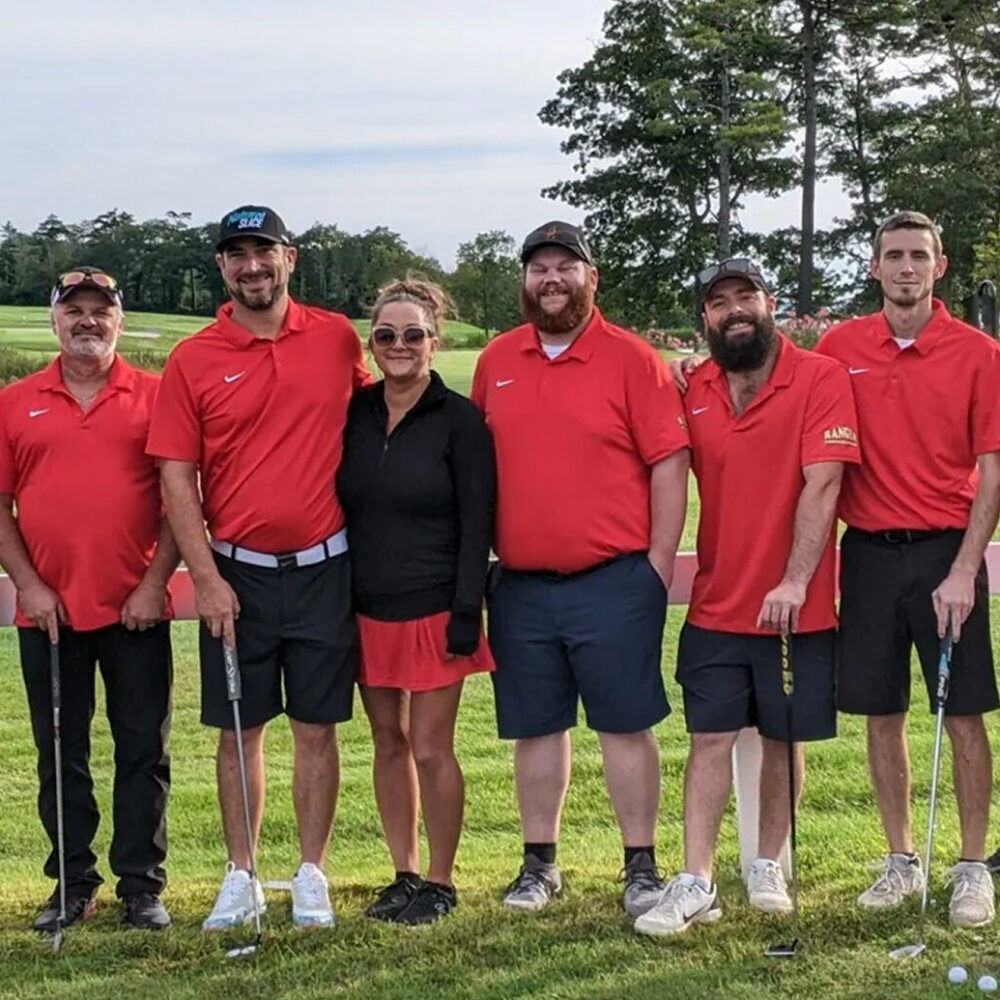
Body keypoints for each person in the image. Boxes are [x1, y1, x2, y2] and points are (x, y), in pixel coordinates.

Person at [147, 205, 371, 931]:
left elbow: (383, 411)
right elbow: (177, 477)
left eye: (264, 252)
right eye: (237, 254)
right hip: (235, 574)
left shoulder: (336, 338)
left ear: (290, 259)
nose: (252, 266)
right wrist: (205, 577)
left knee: (316, 726)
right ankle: (241, 873)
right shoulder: (194, 358)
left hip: (324, 569)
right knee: (239, 729)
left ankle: (311, 873)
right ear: (221, 267)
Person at [634, 258, 860, 937]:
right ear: (704, 317)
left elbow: (825, 484)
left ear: (770, 305)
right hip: (716, 603)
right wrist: (671, 370)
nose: (733, 310)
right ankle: (697, 878)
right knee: (708, 740)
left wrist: (794, 580)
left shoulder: (820, 377)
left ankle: (768, 862)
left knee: (786, 739)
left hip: (799, 605)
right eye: (717, 301)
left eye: (746, 296)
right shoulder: (695, 384)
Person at [471, 221, 690, 916]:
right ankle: (540, 865)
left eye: (567, 266)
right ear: (525, 282)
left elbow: (668, 462)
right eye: (539, 268)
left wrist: (656, 564)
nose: (552, 279)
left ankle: (641, 866)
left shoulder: (633, 358)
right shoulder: (498, 358)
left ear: (593, 278)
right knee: (536, 728)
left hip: (615, 579)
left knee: (625, 725)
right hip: (522, 584)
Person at [816, 212, 1000, 928]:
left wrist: (962, 569)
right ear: (874, 267)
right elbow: (773, 379)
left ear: (939, 267)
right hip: (864, 554)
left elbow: (991, 473)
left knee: (963, 715)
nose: (905, 267)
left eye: (918, 255)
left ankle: (972, 867)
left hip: (945, 554)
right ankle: (900, 859)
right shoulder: (838, 347)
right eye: (892, 255)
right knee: (881, 713)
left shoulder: (979, 353)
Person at [0, 267, 176, 931]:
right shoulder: (16, 401)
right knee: (60, 753)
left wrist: (155, 584)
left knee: (142, 752)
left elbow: (179, 501)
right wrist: (30, 585)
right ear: (54, 319)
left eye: (100, 311)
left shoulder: (156, 396)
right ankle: (72, 883)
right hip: (47, 616)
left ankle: (141, 885)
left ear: (119, 321)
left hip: (136, 609)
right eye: (74, 310)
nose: (87, 322)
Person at [337, 276, 496, 924]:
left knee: (431, 746)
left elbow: (477, 522)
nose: (398, 345)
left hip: (437, 607)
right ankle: (402, 871)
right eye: (385, 335)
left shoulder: (462, 421)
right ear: (372, 345)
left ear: (434, 342)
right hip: (368, 605)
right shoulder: (355, 412)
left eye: (413, 334)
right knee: (388, 741)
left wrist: (466, 612)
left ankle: (441, 880)